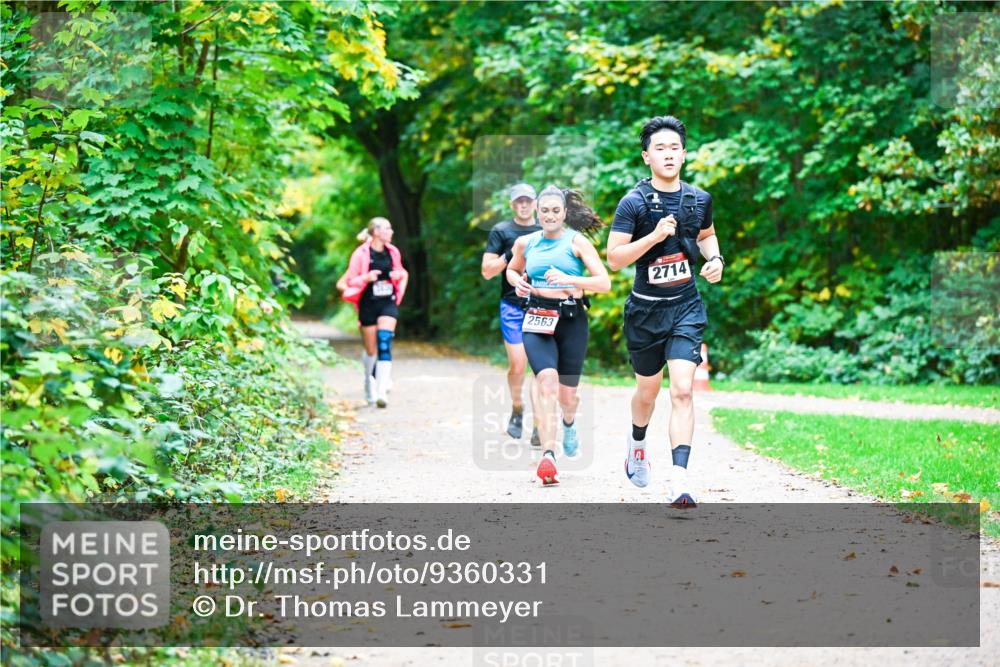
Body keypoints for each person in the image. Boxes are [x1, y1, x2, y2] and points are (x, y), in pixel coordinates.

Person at [606, 115, 724, 509]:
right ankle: (637, 442)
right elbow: (615, 259)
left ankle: (679, 479)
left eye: (675, 148)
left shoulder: (698, 199)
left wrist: (716, 259)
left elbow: (707, 236)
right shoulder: (633, 203)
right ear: (646, 156)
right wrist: (654, 236)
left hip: (685, 307)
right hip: (645, 311)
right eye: (661, 148)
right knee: (648, 391)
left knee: (683, 390)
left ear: (685, 154)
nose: (669, 154)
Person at [506, 186, 610, 485]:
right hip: (537, 319)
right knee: (546, 383)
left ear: (564, 213)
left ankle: (569, 422)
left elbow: (604, 283)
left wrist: (570, 278)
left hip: (572, 320)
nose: (550, 216)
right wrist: (517, 283)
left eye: (556, 210)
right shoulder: (525, 243)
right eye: (545, 210)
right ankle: (548, 455)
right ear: (537, 212)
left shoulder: (576, 243)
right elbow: (512, 271)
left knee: (567, 396)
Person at [482, 183, 542, 445]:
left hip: (542, 304)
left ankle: (540, 425)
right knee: (518, 364)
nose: (524, 205)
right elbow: (487, 271)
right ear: (512, 205)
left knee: (541, 368)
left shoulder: (546, 229)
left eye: (528, 200)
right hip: (512, 306)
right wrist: (513, 251)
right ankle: (517, 408)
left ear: (536, 203)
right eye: (519, 201)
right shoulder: (501, 231)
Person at [341, 218, 408, 408]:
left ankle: (381, 392)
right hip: (368, 303)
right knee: (371, 350)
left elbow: (401, 271)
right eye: (388, 228)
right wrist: (366, 278)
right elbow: (350, 280)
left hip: (388, 301)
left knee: (385, 341)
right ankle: (368, 382)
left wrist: (398, 275)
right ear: (376, 232)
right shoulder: (360, 254)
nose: (391, 231)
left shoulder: (393, 251)